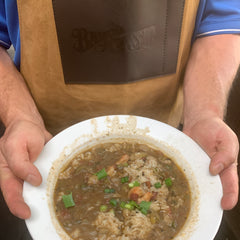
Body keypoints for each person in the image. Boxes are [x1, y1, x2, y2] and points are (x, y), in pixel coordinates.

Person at [0, 0, 240, 229]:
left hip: (172, 134)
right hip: (43, 146)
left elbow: (219, 22)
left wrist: (204, 113)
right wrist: (20, 116)